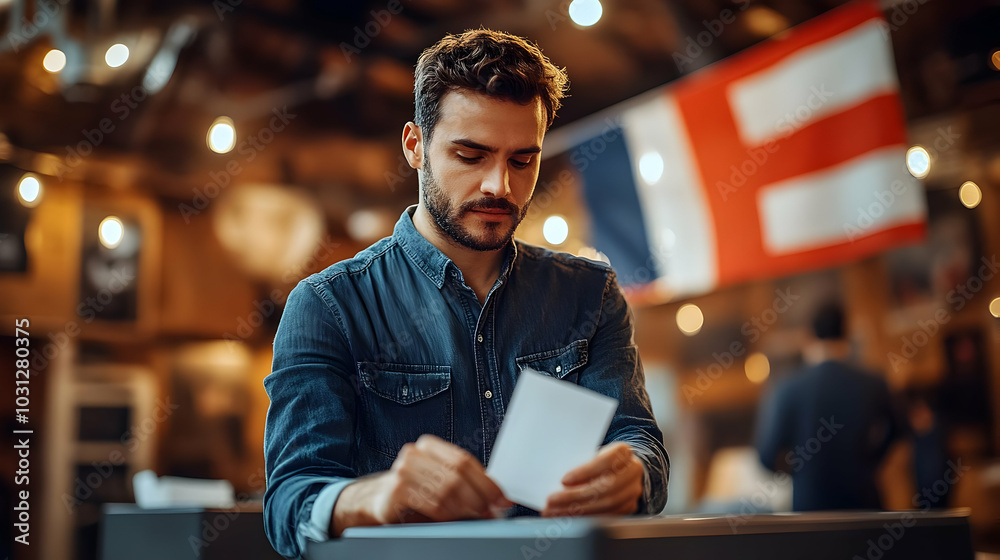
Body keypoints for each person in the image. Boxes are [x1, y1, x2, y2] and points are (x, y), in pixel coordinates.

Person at [262, 29, 669, 559]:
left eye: (523, 160)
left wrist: (633, 474)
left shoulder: (590, 294)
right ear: (415, 146)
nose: (499, 185)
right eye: (471, 155)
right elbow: (288, 504)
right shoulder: (329, 306)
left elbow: (643, 446)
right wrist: (374, 496)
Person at [754, 302, 899, 511]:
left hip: (811, 509)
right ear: (847, 332)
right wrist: (871, 461)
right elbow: (899, 429)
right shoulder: (874, 383)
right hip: (864, 505)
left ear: (809, 335)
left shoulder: (787, 388)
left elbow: (766, 456)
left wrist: (802, 470)